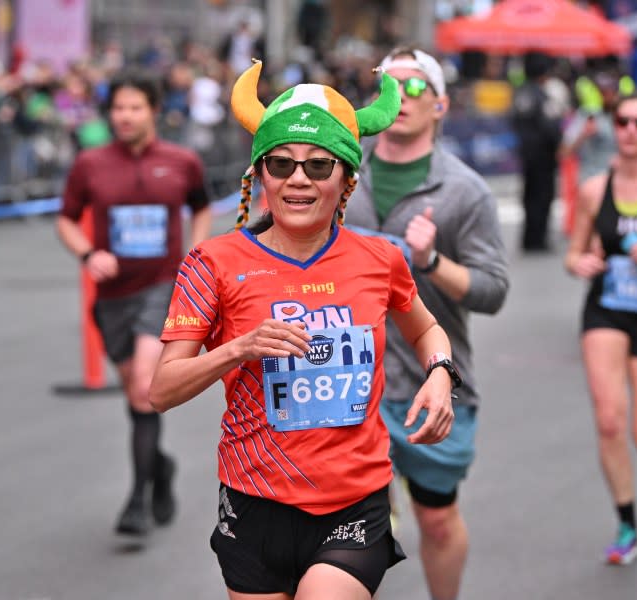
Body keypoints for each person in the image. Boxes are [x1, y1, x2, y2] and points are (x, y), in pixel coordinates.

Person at [150, 60, 460, 599]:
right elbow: (161, 389)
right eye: (281, 163)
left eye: (319, 166)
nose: (298, 179)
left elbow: (427, 329)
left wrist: (440, 374)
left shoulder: (379, 259)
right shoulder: (213, 262)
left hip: (354, 502)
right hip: (255, 500)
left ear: (346, 178)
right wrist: (239, 348)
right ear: (259, 175)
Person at [345, 46, 509, 600]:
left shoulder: (465, 190)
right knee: (344, 528)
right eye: (388, 85)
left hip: (431, 385)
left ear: (440, 105)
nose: (401, 96)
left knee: (436, 521)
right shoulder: (336, 171)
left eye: (415, 87)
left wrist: (433, 261)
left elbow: (493, 291)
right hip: (346, 384)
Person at [56, 71, 211, 536]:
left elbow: (201, 206)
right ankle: (160, 468)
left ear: (154, 110)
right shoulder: (90, 163)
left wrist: (195, 254)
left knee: (146, 382)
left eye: (134, 107)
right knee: (134, 390)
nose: (124, 116)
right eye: (118, 108)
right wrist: (87, 253)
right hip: (112, 295)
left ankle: (137, 499)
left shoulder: (182, 161)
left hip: (163, 286)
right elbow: (64, 219)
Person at [564, 92, 637, 566]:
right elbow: (574, 252)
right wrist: (581, 262)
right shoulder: (594, 188)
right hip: (605, 310)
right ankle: (627, 523)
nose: (629, 130)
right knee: (609, 418)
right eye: (622, 121)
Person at [510, 52, 564, 251]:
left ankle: (529, 238)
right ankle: (538, 239)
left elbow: (515, 121)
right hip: (543, 156)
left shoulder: (520, 93)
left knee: (529, 196)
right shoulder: (541, 96)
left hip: (527, 154)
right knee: (542, 197)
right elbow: (550, 127)